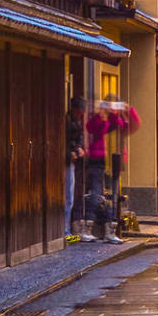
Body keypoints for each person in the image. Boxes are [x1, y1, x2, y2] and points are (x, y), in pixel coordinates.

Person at [83, 106, 123, 243]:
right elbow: (96, 128)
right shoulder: (93, 123)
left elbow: (116, 125)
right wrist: (101, 116)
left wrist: (115, 113)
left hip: (100, 162)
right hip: (93, 161)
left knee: (100, 196)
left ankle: (109, 230)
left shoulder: (101, 122)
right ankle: (86, 228)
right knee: (95, 196)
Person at [64, 95, 85, 243]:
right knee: (66, 197)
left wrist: (79, 148)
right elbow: (60, 141)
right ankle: (65, 232)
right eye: (79, 111)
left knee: (70, 197)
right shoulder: (65, 121)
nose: (81, 114)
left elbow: (79, 139)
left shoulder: (77, 121)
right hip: (64, 161)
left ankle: (67, 231)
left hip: (71, 161)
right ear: (74, 109)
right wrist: (68, 153)